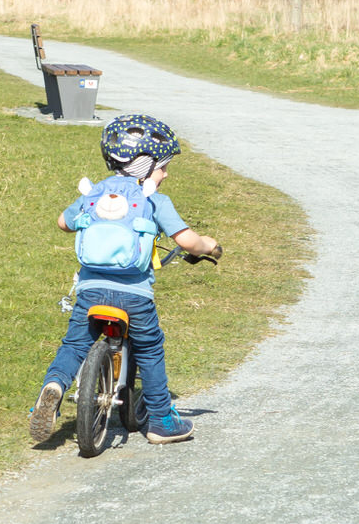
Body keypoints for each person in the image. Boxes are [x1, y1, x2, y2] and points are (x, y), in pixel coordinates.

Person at [30, 113, 220, 446]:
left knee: (74, 345)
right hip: (135, 296)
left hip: (90, 290)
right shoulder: (154, 200)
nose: (165, 173)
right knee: (149, 349)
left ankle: (54, 389)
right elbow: (188, 242)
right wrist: (212, 247)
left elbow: (63, 222)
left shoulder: (93, 194)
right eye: (163, 166)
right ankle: (161, 420)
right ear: (145, 166)